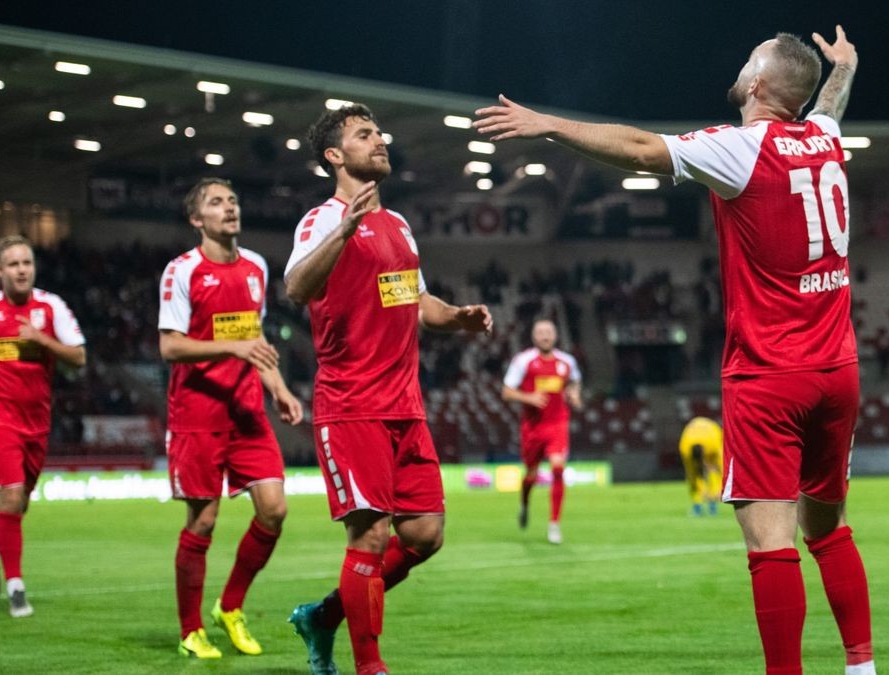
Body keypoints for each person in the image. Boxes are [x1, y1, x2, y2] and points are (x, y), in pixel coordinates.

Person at [476, 26, 874, 675]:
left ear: (761, 85)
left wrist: (546, 122)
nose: (741, 64)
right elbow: (826, 109)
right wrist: (844, 70)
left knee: (770, 546)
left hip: (770, 374)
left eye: (751, 59)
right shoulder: (824, 142)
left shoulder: (742, 150)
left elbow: (637, 148)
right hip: (839, 369)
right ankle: (862, 666)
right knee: (828, 528)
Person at [283, 103, 492, 675]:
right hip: (351, 405)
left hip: (406, 405)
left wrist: (459, 316)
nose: (380, 140)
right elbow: (296, 288)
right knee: (371, 535)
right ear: (334, 155)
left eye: (378, 132)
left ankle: (323, 616)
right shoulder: (321, 219)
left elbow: (418, 303)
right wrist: (344, 229)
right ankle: (369, 667)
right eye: (364, 134)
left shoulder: (398, 224)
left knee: (424, 535)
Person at [158, 178, 304, 659]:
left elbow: (255, 340)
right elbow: (170, 345)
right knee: (203, 522)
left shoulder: (257, 267)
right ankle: (189, 630)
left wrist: (280, 389)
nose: (230, 209)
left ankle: (231, 606)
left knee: (274, 510)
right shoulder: (181, 271)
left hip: (247, 410)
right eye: (216, 203)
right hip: (197, 414)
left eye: (233, 200)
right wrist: (233, 346)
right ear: (197, 220)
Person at [0, 235, 87, 618]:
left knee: (19, 504)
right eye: (13, 264)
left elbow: (78, 357)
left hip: (37, 421)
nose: (22, 270)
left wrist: (41, 339)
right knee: (10, 498)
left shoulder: (51, 306)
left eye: (27, 263)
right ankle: (16, 588)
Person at [501, 319, 583, 544]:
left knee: (558, 469)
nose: (545, 336)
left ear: (555, 335)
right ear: (534, 336)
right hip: (532, 428)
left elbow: (574, 382)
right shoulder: (523, 361)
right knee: (531, 475)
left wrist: (574, 394)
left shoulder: (567, 362)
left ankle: (554, 524)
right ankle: (525, 504)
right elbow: (507, 392)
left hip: (558, 424)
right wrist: (528, 397)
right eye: (540, 332)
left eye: (549, 332)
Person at [679, 416, 724, 516]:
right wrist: (702, 490)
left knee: (713, 471)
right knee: (694, 477)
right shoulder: (685, 449)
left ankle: (713, 505)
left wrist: (720, 488)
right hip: (693, 430)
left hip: (712, 430)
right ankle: (697, 506)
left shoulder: (713, 444)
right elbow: (691, 474)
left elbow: (721, 465)